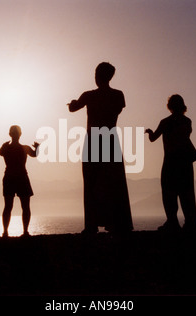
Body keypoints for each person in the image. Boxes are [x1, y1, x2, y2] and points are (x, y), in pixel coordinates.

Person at [68, 62, 133, 235]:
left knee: (91, 183)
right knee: (114, 182)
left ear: (98, 75)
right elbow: (116, 111)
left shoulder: (89, 95)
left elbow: (73, 108)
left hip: (93, 139)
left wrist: (73, 102)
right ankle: (117, 222)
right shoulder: (118, 95)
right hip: (110, 139)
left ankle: (92, 224)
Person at [145, 94, 196, 232]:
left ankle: (172, 221)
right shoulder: (187, 121)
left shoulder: (165, 122)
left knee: (169, 192)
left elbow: (153, 138)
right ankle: (190, 222)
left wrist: (150, 132)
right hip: (185, 161)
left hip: (170, 160)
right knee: (186, 192)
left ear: (169, 106)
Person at [0, 125, 39, 237]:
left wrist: (38, 148)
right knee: (19, 206)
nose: (15, 135)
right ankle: (20, 232)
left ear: (10, 134)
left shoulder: (8, 147)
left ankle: (8, 232)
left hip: (13, 177)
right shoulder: (20, 148)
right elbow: (35, 154)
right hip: (19, 177)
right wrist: (38, 148)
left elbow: (34, 154)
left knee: (11, 206)